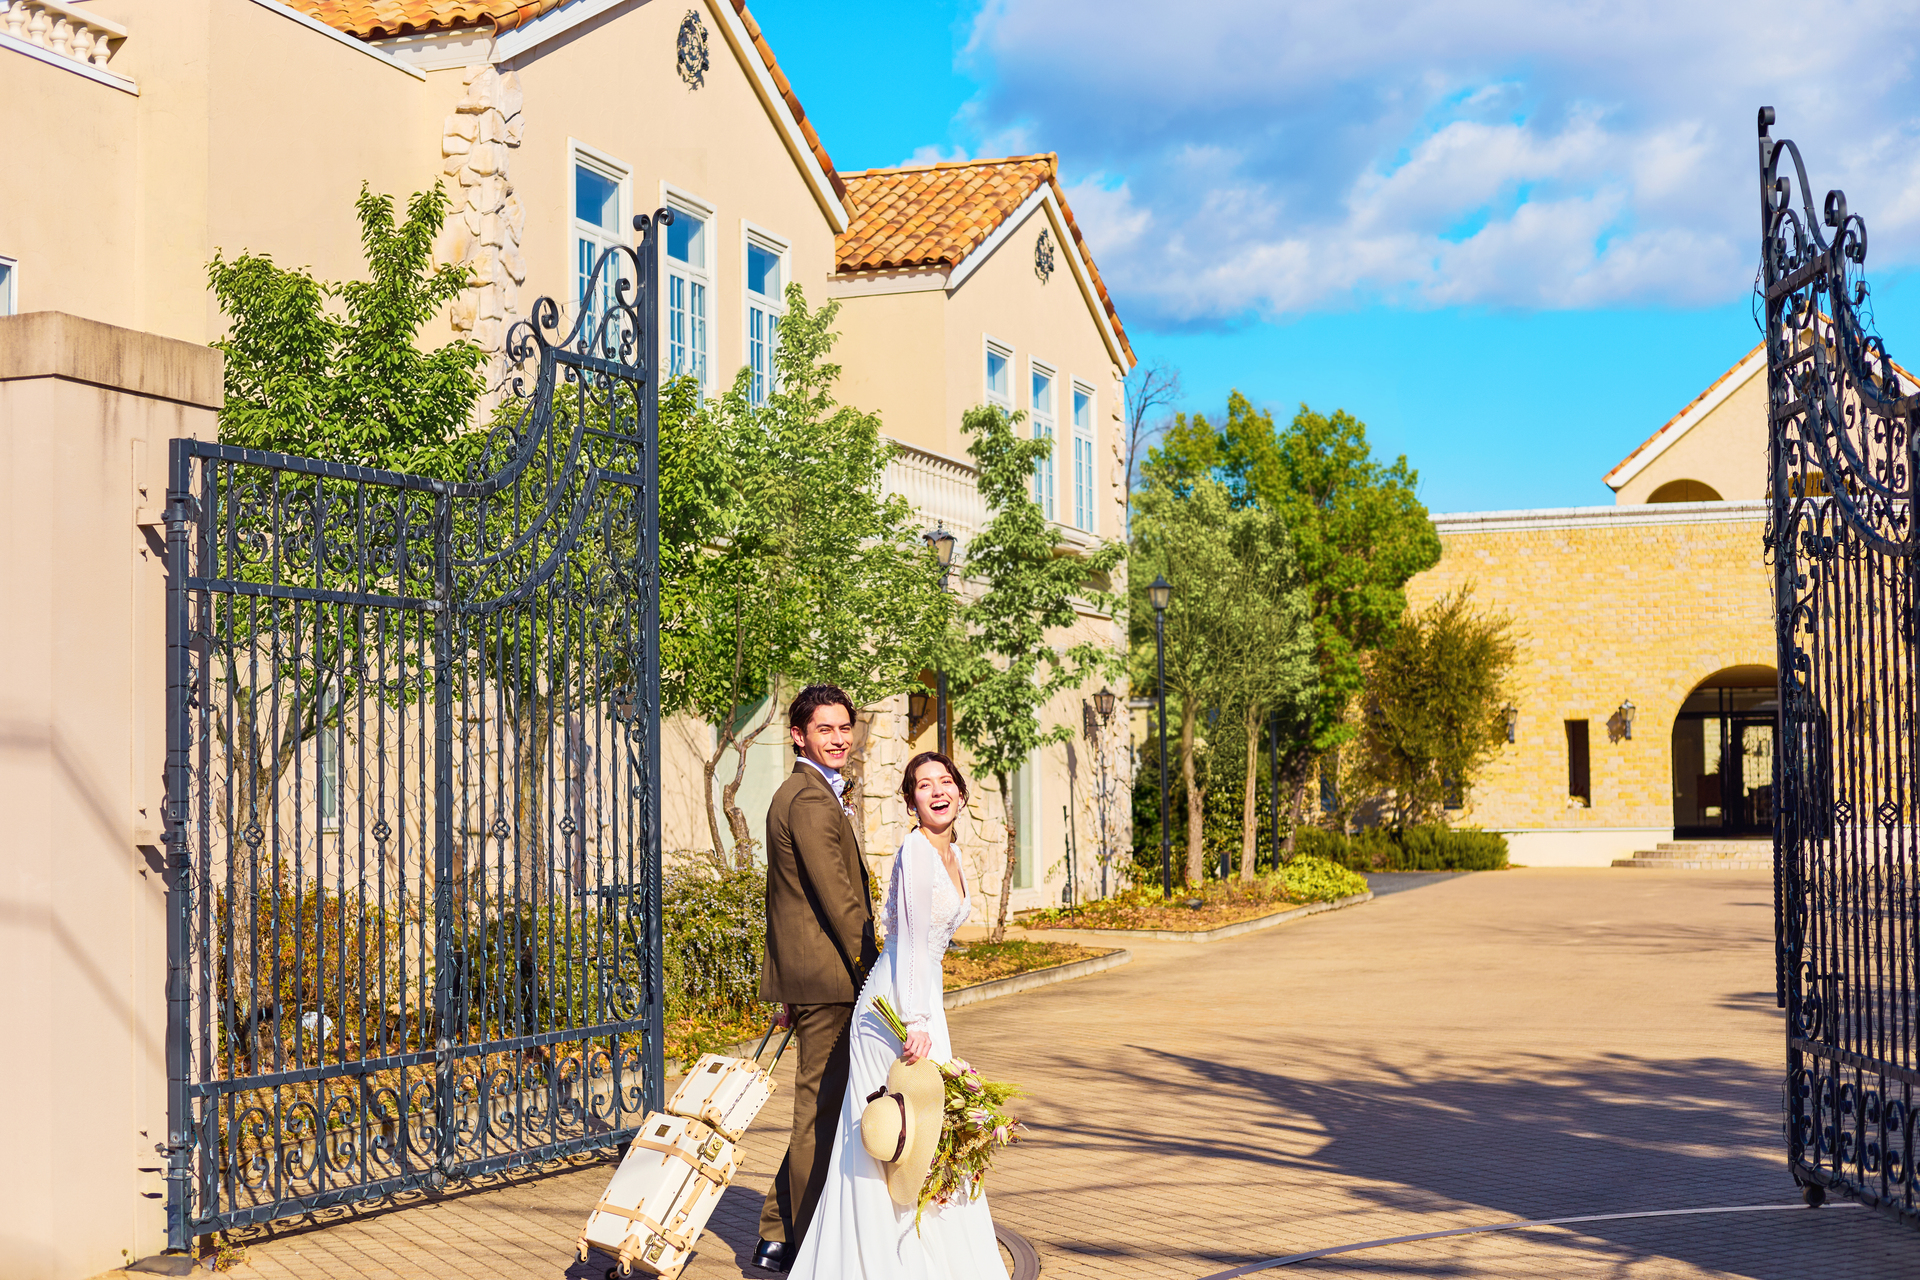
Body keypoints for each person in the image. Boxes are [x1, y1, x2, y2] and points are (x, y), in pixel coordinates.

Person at [786, 750, 1008, 1280]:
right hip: (898, 1004)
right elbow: (907, 942)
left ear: (960, 792)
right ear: (911, 802)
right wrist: (915, 1020)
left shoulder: (949, 851)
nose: (937, 790)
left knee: (925, 1131)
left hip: (922, 995)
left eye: (946, 780)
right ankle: (873, 1261)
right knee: (889, 1131)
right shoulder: (916, 850)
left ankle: (921, 1250)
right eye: (924, 784)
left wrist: (927, 1007)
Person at [755, 684, 880, 1273]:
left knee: (822, 1107)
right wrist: (874, 969)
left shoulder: (811, 792)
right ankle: (805, 1242)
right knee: (819, 1113)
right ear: (799, 736)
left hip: (813, 977)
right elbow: (837, 900)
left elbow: (789, 900)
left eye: (843, 727)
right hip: (830, 979)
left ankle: (776, 1232)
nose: (838, 738)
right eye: (825, 729)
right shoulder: (808, 800)